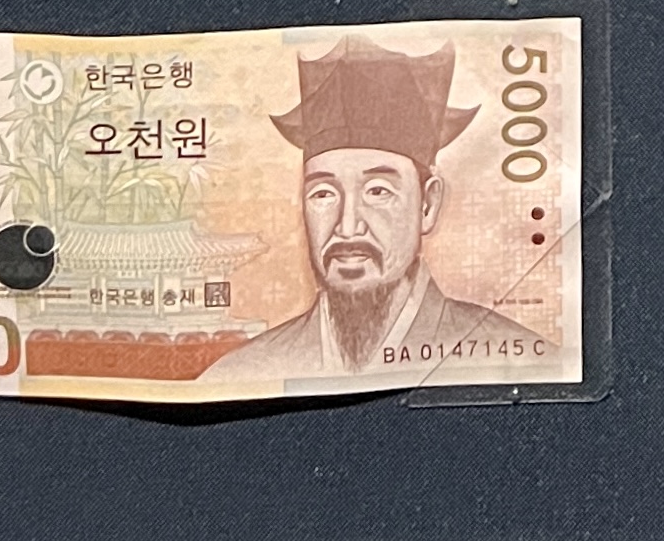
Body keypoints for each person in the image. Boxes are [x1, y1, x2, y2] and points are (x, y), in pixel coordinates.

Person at [199, 40, 544, 385]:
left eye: (378, 191)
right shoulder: (241, 374)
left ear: (427, 204)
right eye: (323, 193)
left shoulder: (519, 360)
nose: (348, 227)